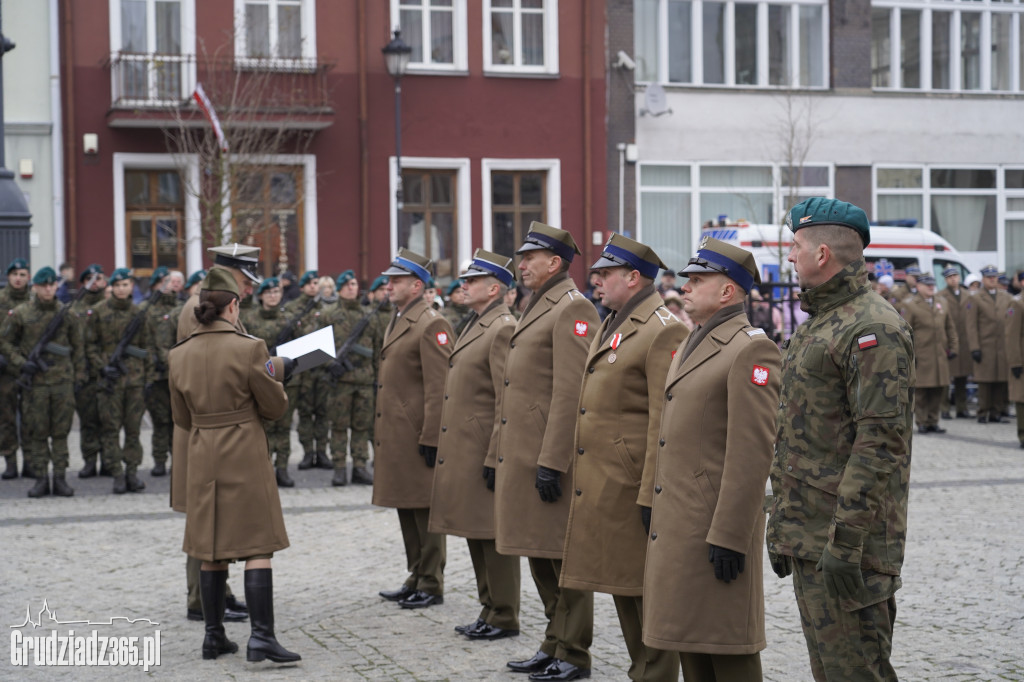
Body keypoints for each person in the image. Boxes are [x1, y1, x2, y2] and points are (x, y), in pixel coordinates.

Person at [766, 197, 914, 682]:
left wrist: (846, 543)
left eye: (795, 245)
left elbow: (880, 444)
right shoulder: (823, 322)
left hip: (848, 547)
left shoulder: (872, 326)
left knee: (858, 673)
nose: (790, 256)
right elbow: (800, 434)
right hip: (811, 537)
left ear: (822, 253)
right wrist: (781, 526)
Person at [643, 237, 780, 681]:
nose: (686, 287)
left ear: (727, 291)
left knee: (728, 651)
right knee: (691, 646)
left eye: (698, 280)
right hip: (683, 524)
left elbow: (752, 453)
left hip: (713, 528)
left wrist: (731, 534)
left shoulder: (749, 349)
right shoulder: (694, 340)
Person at [560, 234, 687, 681]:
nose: (595, 280)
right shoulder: (614, 320)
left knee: (639, 590)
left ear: (633, 278)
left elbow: (663, 420)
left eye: (605, 273)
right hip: (604, 480)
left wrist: (651, 490)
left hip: (632, 485)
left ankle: (654, 675)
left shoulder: (661, 328)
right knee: (619, 582)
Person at [168, 268, 299, 664]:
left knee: (211, 546)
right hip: (243, 450)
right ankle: (261, 637)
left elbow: (182, 417)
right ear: (234, 306)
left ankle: (213, 636)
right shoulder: (250, 348)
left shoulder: (179, 354)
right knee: (258, 544)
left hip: (202, 452)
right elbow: (274, 408)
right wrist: (278, 381)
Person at [493, 222, 600, 681]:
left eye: (529, 257)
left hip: (548, 455)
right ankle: (553, 641)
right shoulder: (538, 303)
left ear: (554, 263)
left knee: (562, 556)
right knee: (537, 550)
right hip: (525, 452)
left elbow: (571, 391)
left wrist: (553, 460)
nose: (520, 265)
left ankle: (574, 652)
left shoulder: (572, 307)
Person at [428, 250, 521, 641]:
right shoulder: (476, 322)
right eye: (465, 279)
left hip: (483, 444)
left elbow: (507, 397)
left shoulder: (501, 327)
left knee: (490, 533)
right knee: (473, 529)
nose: (463, 285)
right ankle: (489, 608)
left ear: (494, 288)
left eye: (472, 280)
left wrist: (494, 453)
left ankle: (504, 612)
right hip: (466, 444)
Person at [176, 244, 263, 625]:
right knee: (204, 518)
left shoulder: (213, 303)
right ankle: (201, 600)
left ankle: (218, 594)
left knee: (212, 516)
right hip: (207, 428)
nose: (247, 290)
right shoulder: (198, 310)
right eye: (243, 281)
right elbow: (208, 366)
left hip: (211, 428)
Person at [373, 249, 453, 609]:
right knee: (406, 505)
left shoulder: (431, 323)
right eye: (389, 279)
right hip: (399, 432)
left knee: (424, 508)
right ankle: (416, 573)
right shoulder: (400, 317)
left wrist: (433, 436)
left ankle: (431, 581)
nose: (388, 285)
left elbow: (440, 387)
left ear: (417, 285)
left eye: (396, 280)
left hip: (419, 432)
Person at [0, 266, 86, 498]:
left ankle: (59, 478)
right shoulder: (20, 313)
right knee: (37, 433)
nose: (48, 289)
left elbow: (78, 348)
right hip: (35, 383)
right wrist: (21, 363)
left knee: (60, 433)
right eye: (43, 286)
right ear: (35, 287)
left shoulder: (67, 314)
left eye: (51, 285)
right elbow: (5, 343)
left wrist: (78, 378)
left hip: (62, 383)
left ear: (56, 286)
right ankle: (40, 479)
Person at [86, 267, 156, 494]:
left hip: (135, 381)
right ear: (111, 288)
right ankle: (116, 473)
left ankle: (132, 473)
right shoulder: (97, 312)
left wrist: (149, 378)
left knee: (133, 430)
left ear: (131, 287)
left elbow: (147, 348)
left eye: (125, 285)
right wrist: (103, 367)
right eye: (117, 285)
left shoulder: (139, 314)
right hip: (110, 381)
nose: (121, 289)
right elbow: (90, 345)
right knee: (110, 429)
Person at [324, 269, 383, 486]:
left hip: (365, 381)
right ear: (339, 289)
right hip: (340, 382)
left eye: (355, 284)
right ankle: (339, 468)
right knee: (338, 427)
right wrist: (330, 365)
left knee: (362, 426)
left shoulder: (369, 317)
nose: (352, 288)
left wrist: (378, 378)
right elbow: (317, 346)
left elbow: (377, 350)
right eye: (348, 284)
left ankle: (360, 466)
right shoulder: (329, 314)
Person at [243, 277, 297, 487]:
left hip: (287, 378)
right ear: (261, 296)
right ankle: (263, 469)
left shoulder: (290, 319)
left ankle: (282, 468)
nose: (273, 296)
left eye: (276, 292)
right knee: (262, 427)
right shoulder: (250, 319)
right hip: (261, 380)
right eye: (269, 293)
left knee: (283, 427)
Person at [899, 274, 958, 434]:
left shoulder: (942, 303)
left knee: (938, 390)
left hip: (939, 355)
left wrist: (954, 347)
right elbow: (904, 332)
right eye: (927, 284)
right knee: (921, 392)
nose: (931, 286)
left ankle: (933, 421)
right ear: (918, 287)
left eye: (932, 284)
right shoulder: (910, 305)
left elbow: (950, 327)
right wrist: (909, 355)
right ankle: (922, 421)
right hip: (921, 355)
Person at [287, 270, 331, 471]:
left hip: (323, 368)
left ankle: (322, 452)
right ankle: (307, 453)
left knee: (323, 413)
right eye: (309, 283)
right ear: (302, 287)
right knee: (305, 413)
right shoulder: (292, 308)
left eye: (316, 282)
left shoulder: (327, 307)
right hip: (303, 369)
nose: (313, 286)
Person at [70, 265, 109, 479]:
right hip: (84, 374)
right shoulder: (74, 310)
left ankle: (108, 460)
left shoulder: (110, 307)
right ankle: (90, 461)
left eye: (99, 278)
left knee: (108, 420)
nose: (95, 283)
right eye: (90, 279)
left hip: (106, 372)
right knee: (88, 420)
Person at [143, 267, 182, 477]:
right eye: (162, 283)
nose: (167, 286)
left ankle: (178, 460)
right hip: (155, 374)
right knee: (160, 420)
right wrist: (152, 361)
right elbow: (143, 342)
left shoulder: (181, 308)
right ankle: (159, 460)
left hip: (177, 373)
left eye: (170, 282)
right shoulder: (146, 309)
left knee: (178, 420)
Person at [966, 265, 1013, 424]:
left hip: (1002, 346)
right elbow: (971, 325)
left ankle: (996, 412)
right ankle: (982, 412)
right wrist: (974, 348)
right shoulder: (976, 298)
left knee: (1000, 380)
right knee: (985, 382)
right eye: (989, 277)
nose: (992, 280)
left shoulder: (1005, 297)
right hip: (985, 346)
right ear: (983, 279)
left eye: (994, 277)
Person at [0, 258, 31, 479]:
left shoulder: (36, 299)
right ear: (8, 276)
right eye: (14, 274)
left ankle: (31, 461)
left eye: (22, 274)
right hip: (5, 368)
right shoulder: (0, 300)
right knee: (6, 416)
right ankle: (10, 460)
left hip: (30, 367)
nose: (18, 279)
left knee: (31, 416)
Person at [937, 268, 971, 418]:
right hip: (949, 340)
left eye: (955, 276)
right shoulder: (940, 296)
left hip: (964, 340)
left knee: (962, 377)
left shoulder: (968, 295)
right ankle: (944, 408)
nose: (953, 279)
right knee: (946, 377)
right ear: (945, 279)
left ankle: (961, 408)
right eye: (950, 277)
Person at [1004, 292, 1024, 447]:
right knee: (1021, 398)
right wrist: (1015, 362)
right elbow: (1011, 335)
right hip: (1021, 359)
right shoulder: (1017, 304)